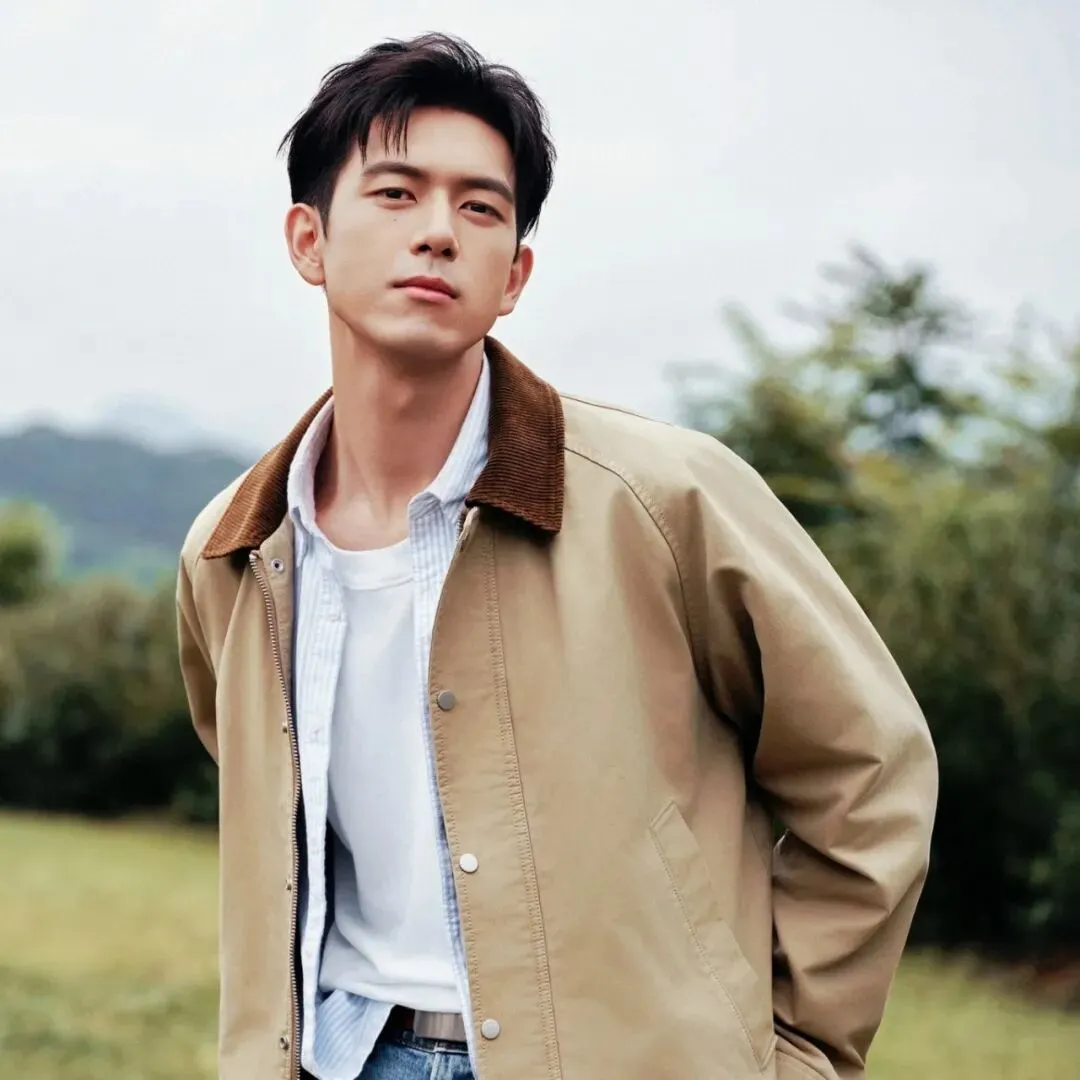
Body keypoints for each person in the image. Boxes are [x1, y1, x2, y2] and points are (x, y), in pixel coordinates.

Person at [176, 32, 938, 1080]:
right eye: (396, 194)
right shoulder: (234, 550)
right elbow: (259, 786)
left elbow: (870, 769)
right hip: (344, 1056)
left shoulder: (665, 497)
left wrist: (799, 1049)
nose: (438, 232)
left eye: (480, 208)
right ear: (308, 240)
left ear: (516, 275)